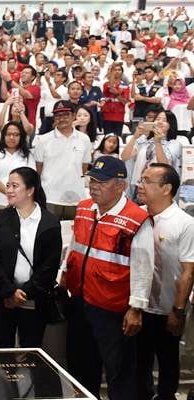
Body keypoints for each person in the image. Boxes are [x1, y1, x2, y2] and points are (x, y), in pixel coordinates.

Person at [63, 156, 154, 400]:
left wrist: (136, 308)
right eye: (91, 180)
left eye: (101, 182)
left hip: (114, 309)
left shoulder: (136, 219)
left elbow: (143, 266)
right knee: (81, 368)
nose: (94, 186)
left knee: (119, 373)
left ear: (121, 185)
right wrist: (65, 275)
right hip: (81, 301)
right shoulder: (83, 208)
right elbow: (74, 246)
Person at [0, 166, 61, 347]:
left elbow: (49, 265)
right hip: (1, 297)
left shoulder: (49, 223)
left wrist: (24, 293)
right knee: (2, 350)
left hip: (34, 298)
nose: (8, 190)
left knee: (32, 349)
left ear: (30, 190)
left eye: (14, 186)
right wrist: (9, 291)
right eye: (8, 185)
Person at [136, 164, 194, 400]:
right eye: (141, 179)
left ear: (166, 188)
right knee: (139, 363)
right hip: (138, 305)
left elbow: (188, 272)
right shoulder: (137, 216)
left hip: (168, 308)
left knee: (168, 361)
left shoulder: (183, 223)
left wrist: (178, 311)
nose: (141, 185)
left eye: (148, 181)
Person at [34, 101, 91, 220]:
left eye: (66, 115)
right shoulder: (43, 140)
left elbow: (84, 167)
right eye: (58, 115)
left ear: (74, 116)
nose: (62, 119)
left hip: (76, 197)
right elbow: (38, 169)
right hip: (50, 198)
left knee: (73, 235)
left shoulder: (84, 139)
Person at [121, 110, 182, 200]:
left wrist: (158, 142)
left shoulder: (175, 144)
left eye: (165, 120)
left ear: (171, 125)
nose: (160, 122)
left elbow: (165, 166)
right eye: (158, 119)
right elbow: (124, 157)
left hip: (158, 188)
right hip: (138, 186)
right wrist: (135, 137)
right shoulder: (143, 140)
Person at [0, 121, 35, 213]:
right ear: (3, 136)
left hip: (22, 203)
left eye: (16, 134)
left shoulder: (28, 155)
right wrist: (10, 193)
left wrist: (16, 197)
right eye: (8, 134)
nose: (12, 137)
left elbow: (31, 179)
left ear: (21, 137)